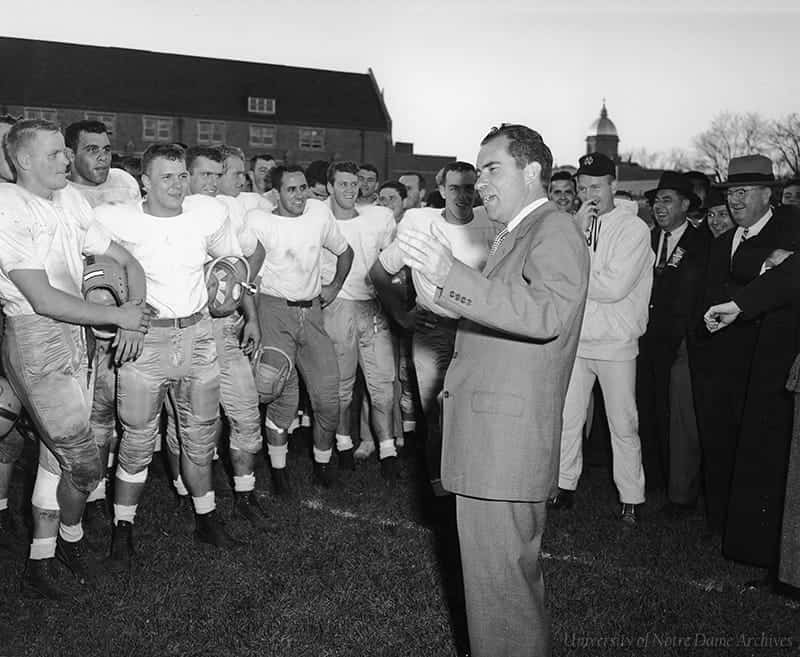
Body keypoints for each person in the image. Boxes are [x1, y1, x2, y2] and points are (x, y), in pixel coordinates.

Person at [398, 123, 589, 657]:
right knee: (498, 591)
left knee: (501, 592)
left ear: (532, 173)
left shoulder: (553, 230)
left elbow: (546, 312)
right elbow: (505, 315)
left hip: (505, 441)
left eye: (491, 169)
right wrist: (441, 289)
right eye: (477, 171)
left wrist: (453, 273)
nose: (479, 183)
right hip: (494, 436)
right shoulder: (522, 233)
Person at [0, 119, 152, 598]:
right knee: (84, 464)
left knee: (56, 459)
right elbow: (42, 298)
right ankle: (71, 538)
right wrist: (120, 317)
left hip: (77, 336)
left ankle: (42, 560)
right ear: (24, 160)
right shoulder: (7, 208)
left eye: (67, 152)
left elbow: (128, 260)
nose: (67, 160)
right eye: (55, 154)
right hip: (37, 336)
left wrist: (135, 310)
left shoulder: (68, 199)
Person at [95, 143, 244, 568]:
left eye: (182, 176)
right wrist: (118, 315)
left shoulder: (207, 213)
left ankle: (207, 520)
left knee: (200, 436)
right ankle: (122, 532)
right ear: (145, 181)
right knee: (138, 440)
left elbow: (231, 257)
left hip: (197, 335)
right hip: (145, 341)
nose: (178, 185)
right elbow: (90, 268)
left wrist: (231, 276)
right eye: (167, 177)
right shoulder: (116, 219)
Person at [699, 154, 800, 582]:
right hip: (730, 362)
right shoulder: (724, 240)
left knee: (770, 452)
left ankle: (769, 551)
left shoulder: (791, 223)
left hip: (775, 361)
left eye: (743, 192)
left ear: (768, 194)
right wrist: (764, 264)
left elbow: (767, 276)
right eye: (730, 193)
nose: (735, 201)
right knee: (732, 445)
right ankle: (737, 538)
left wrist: (756, 271)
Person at [373, 161, 495, 493]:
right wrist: (401, 315)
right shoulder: (422, 227)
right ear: (441, 191)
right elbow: (379, 272)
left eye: (469, 188)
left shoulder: (490, 225)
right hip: (433, 329)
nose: (463, 195)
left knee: (476, 407)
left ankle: (473, 479)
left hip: (478, 331)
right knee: (437, 410)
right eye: (454, 188)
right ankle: (440, 487)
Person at [549, 152, 651, 524]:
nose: (589, 194)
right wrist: (575, 237)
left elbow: (613, 286)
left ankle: (632, 497)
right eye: (583, 188)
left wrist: (574, 269)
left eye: (596, 186)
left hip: (615, 341)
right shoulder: (577, 222)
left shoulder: (633, 228)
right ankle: (563, 485)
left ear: (613, 183)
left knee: (623, 422)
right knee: (567, 417)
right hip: (578, 338)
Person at [247, 165, 354, 493]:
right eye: (291, 189)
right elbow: (247, 277)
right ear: (276, 193)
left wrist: (334, 285)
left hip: (312, 313)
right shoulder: (259, 220)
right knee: (279, 394)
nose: (299, 195)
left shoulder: (319, 215)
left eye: (304, 187)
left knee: (328, 399)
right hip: (273, 311)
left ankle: (322, 463)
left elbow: (345, 252)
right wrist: (251, 318)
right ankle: (278, 470)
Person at [65, 120, 144, 536]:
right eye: (91, 149)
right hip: (82, 308)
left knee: (124, 401)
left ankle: (116, 480)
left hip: (128, 302)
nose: (102, 157)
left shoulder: (125, 184)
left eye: (106, 148)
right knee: (93, 406)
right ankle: (92, 491)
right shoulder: (62, 192)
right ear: (70, 153)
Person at [321, 161, 398, 480]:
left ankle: (388, 451)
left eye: (354, 184)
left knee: (383, 386)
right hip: (337, 306)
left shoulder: (378, 217)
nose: (350, 189)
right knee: (341, 388)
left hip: (371, 306)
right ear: (329, 187)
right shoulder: (318, 217)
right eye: (343, 184)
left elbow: (392, 260)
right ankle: (342, 445)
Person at [636, 172, 709, 511]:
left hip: (682, 344)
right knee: (647, 411)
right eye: (656, 200)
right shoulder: (645, 240)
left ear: (685, 205)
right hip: (645, 341)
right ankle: (653, 484)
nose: (659, 207)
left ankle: (681, 494)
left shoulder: (703, 242)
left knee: (681, 420)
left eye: (667, 200)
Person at [64, 120, 141, 207]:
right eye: (93, 150)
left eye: (106, 149)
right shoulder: (58, 194)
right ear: (71, 155)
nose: (103, 157)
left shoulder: (124, 181)